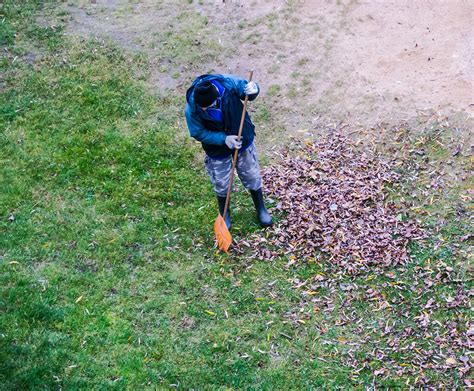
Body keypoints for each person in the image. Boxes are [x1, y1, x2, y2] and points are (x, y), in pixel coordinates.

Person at [185, 73, 272, 230]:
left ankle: (261, 208)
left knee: (251, 174)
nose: (204, 109)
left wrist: (254, 89)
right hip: (217, 148)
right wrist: (223, 139)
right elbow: (197, 132)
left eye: (209, 107)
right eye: (202, 108)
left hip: (242, 137)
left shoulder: (228, 84)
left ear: (217, 95)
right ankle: (224, 214)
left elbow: (246, 92)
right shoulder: (192, 108)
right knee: (222, 182)